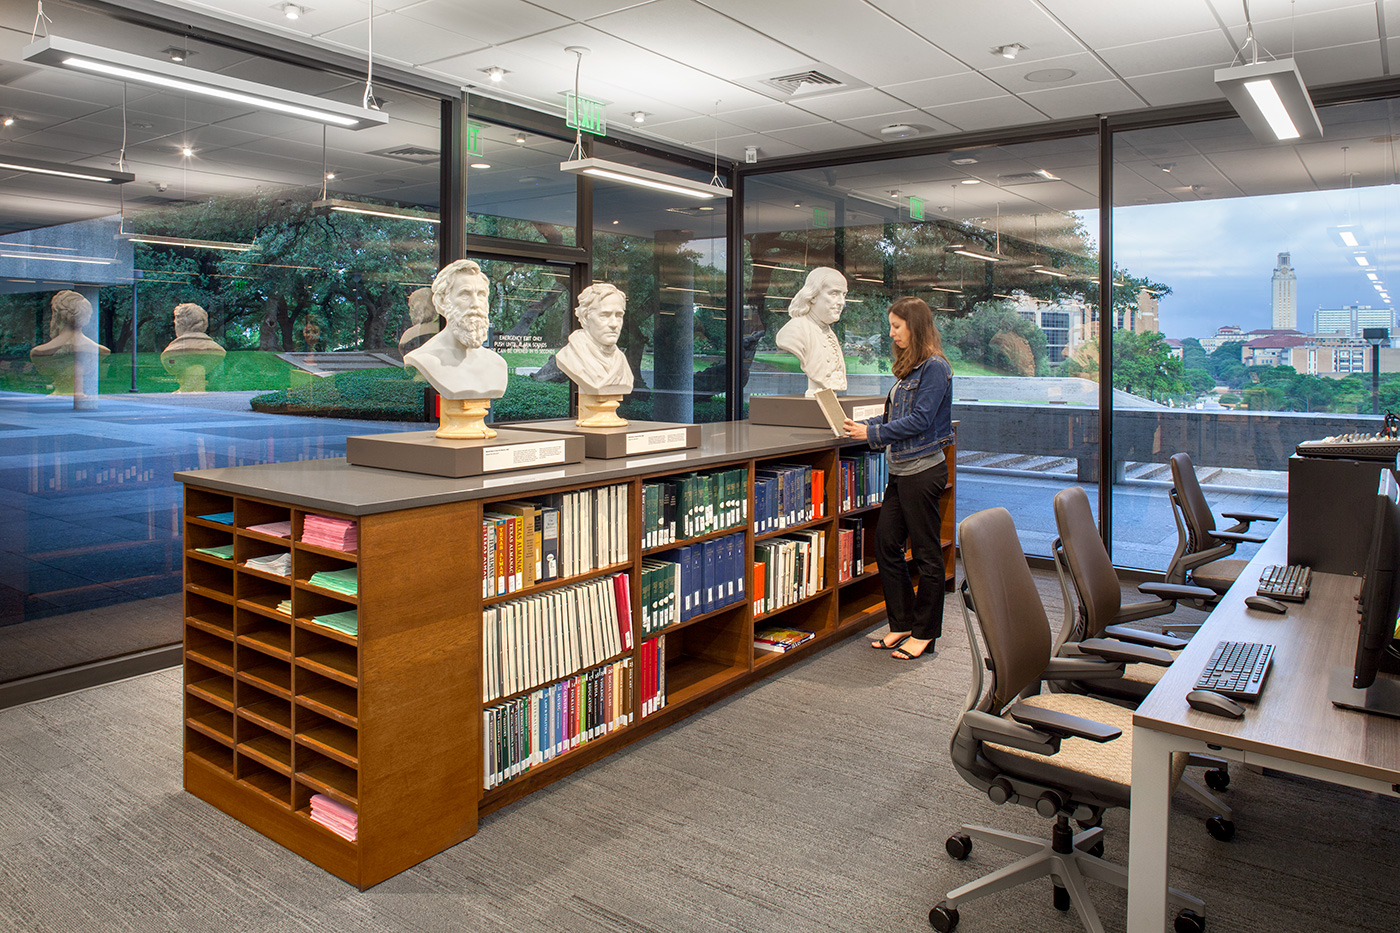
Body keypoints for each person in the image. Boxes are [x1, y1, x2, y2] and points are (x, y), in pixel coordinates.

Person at [843, 297, 954, 660]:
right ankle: (902, 624)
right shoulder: (911, 368)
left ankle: (925, 634)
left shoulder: (935, 368)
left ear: (915, 326)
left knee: (926, 555)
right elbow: (893, 416)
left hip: (923, 471)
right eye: (891, 326)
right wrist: (862, 428)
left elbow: (920, 421)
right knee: (887, 545)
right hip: (901, 470)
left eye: (897, 326)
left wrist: (870, 436)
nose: (892, 333)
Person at [403, 258, 508, 399]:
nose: (476, 304)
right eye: (465, 294)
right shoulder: (423, 359)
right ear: (441, 302)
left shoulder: (497, 364)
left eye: (481, 295)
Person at [775, 266, 848, 396]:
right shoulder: (795, 330)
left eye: (844, 295)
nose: (841, 302)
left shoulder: (829, 333)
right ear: (813, 296)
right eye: (834, 294)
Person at [554, 283, 633, 395]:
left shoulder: (620, 359)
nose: (614, 324)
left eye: (619, 315)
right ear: (586, 318)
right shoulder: (570, 356)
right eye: (605, 315)